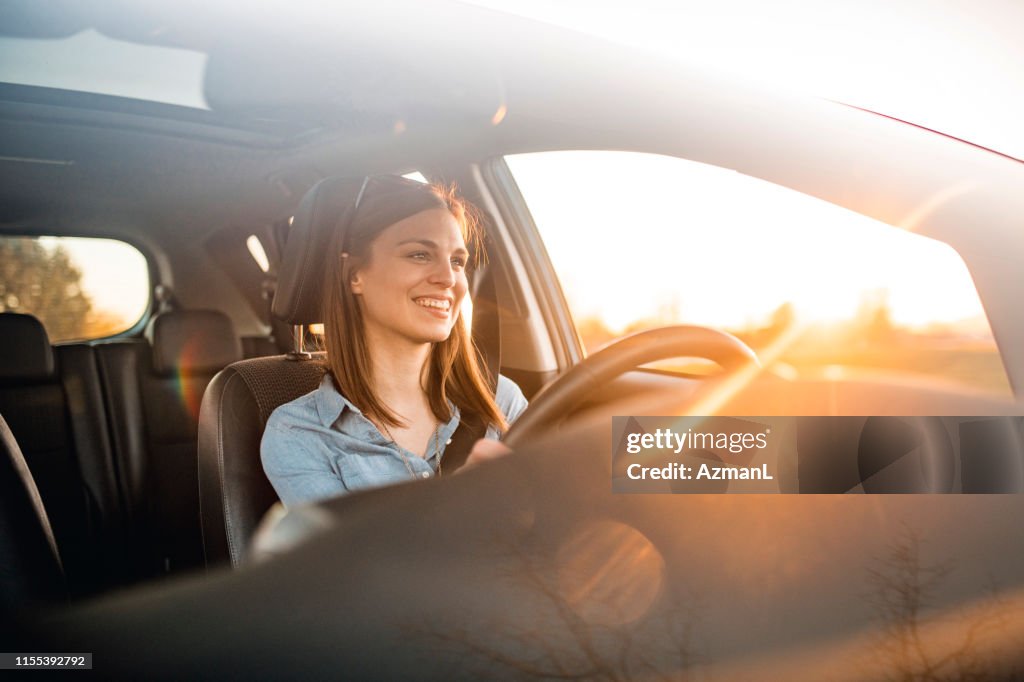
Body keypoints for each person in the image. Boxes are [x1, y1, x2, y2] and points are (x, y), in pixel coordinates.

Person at [261, 175, 528, 507]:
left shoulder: (501, 401)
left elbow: (572, 519)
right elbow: (354, 559)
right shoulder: (300, 433)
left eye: (457, 261)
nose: (448, 279)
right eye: (419, 254)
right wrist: (461, 506)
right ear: (355, 274)